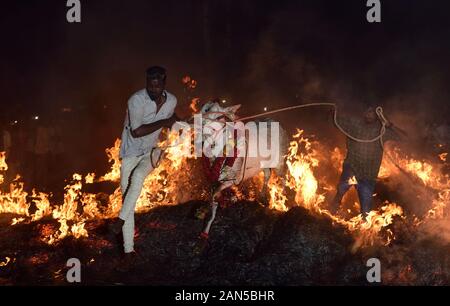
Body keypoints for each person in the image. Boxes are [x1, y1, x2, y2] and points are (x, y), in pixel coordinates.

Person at [109, 66, 178, 271]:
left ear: (164, 83)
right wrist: (165, 121)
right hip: (130, 153)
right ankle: (129, 251)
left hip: (151, 152)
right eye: (150, 84)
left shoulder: (172, 100)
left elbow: (174, 119)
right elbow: (137, 131)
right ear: (146, 82)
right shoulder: (136, 101)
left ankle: (119, 221)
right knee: (128, 198)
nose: (153, 89)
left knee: (138, 177)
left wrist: (189, 124)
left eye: (157, 85)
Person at [331, 105, 407, 216]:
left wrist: (391, 126)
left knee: (366, 210)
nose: (369, 114)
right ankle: (330, 213)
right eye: (367, 111)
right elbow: (336, 122)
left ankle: (365, 230)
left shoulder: (382, 130)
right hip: (352, 167)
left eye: (372, 112)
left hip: (368, 175)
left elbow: (404, 138)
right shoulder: (353, 125)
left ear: (377, 115)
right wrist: (332, 113)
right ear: (363, 113)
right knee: (341, 190)